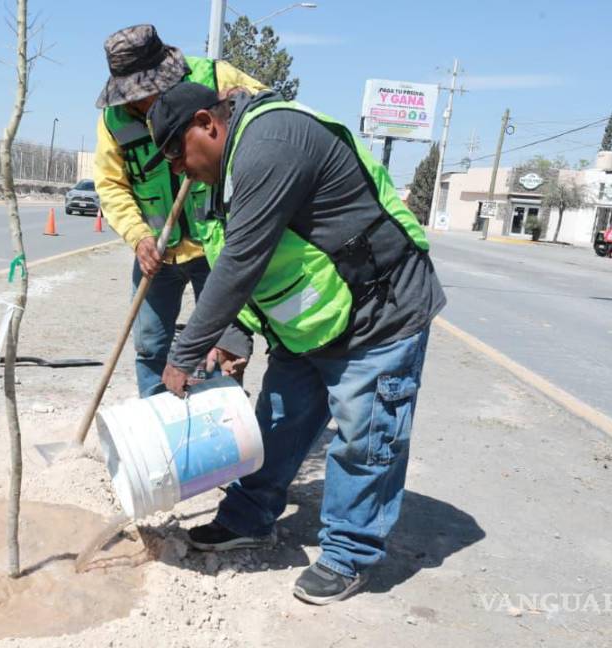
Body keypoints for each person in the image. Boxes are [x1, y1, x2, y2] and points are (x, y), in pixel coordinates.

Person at [147, 83, 446, 605]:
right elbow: (233, 260)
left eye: (177, 152)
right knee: (277, 423)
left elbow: (242, 260)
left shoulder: (270, 143)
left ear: (206, 122)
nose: (177, 168)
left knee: (365, 433)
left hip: (378, 309)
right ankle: (250, 518)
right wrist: (230, 334)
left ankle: (349, 552)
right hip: (311, 319)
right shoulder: (225, 171)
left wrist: (184, 353)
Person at [94, 24, 265, 396]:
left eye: (146, 91)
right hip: (158, 253)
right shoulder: (113, 121)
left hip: (216, 248)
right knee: (151, 346)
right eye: (132, 95)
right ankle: (157, 425)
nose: (140, 103)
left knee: (222, 346)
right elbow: (111, 185)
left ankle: (224, 423)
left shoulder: (215, 77)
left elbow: (270, 116)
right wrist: (139, 238)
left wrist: (241, 101)